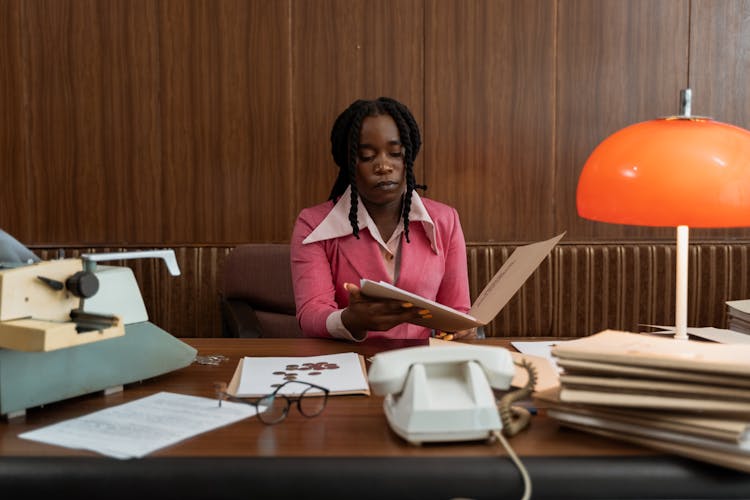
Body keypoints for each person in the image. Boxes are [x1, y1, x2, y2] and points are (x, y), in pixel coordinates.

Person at [291, 97, 476, 341]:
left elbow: (457, 310)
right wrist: (350, 319)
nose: (384, 166)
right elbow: (310, 312)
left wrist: (462, 329)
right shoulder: (312, 225)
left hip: (420, 366)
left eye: (395, 153)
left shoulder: (445, 221)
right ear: (349, 163)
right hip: (346, 365)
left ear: (407, 157)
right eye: (367, 156)